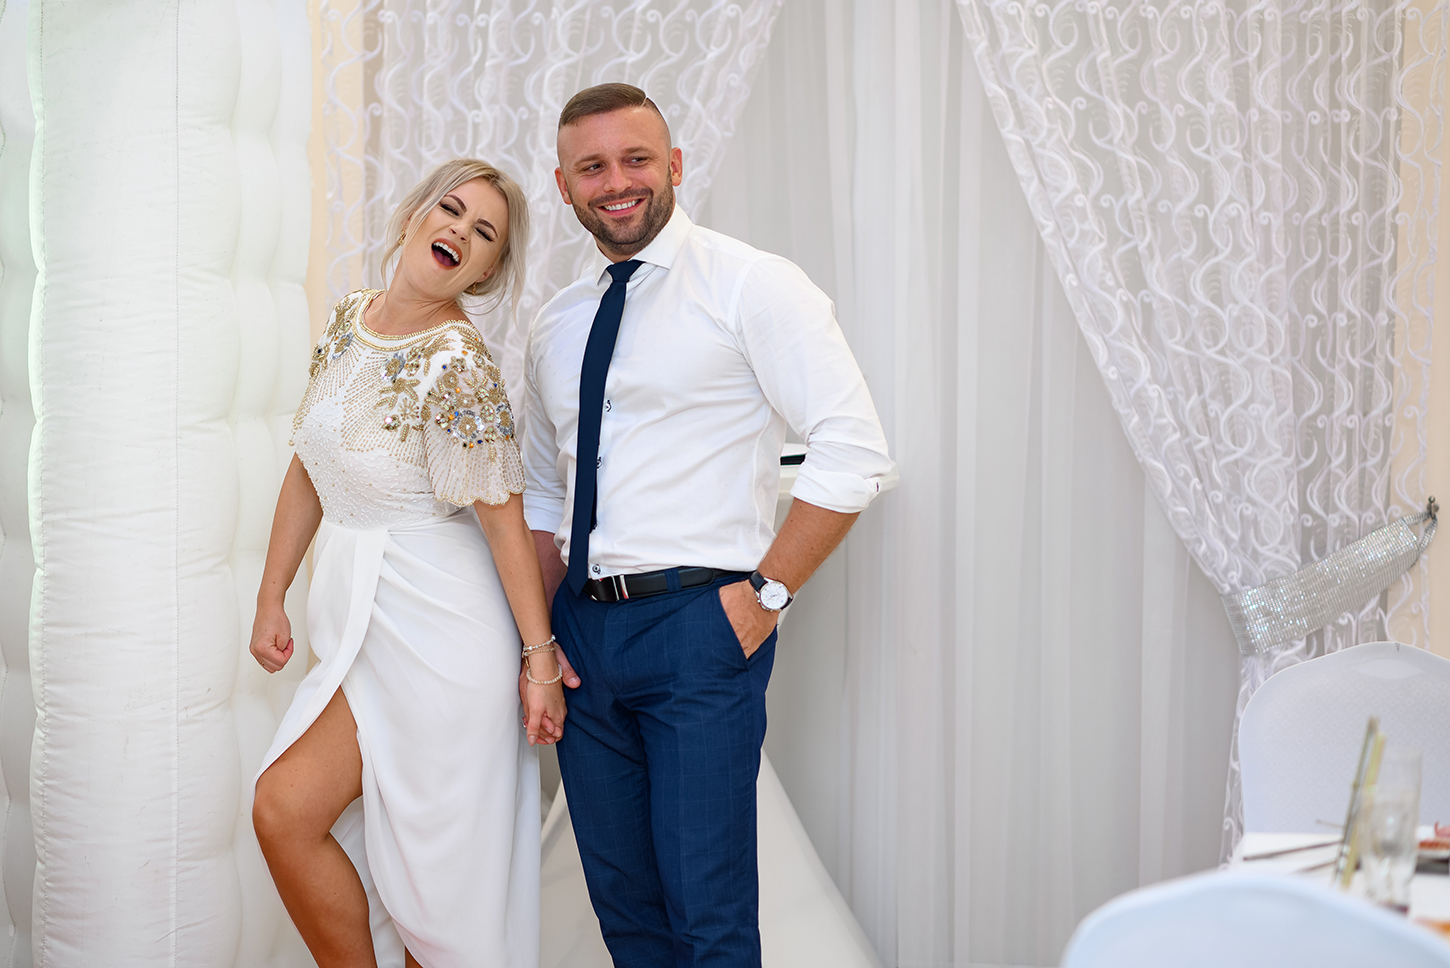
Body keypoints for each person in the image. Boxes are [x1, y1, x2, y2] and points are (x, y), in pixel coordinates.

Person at [522, 83, 895, 967]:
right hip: (581, 639)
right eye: (592, 167)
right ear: (564, 186)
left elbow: (853, 451)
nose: (618, 182)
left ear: (676, 165)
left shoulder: (751, 284)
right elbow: (540, 497)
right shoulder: (555, 324)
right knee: (625, 911)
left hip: (699, 627)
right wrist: (540, 642)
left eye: (637, 159)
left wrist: (763, 598)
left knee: (708, 914)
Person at [248, 158, 563, 968]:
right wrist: (271, 594)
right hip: (359, 624)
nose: (460, 230)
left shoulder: (458, 361)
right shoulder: (348, 317)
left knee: (433, 897)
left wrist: (538, 657)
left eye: (484, 232)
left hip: (443, 635)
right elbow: (308, 464)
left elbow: (503, 519)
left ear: (486, 270)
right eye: (451, 209)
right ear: (417, 213)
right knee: (284, 810)